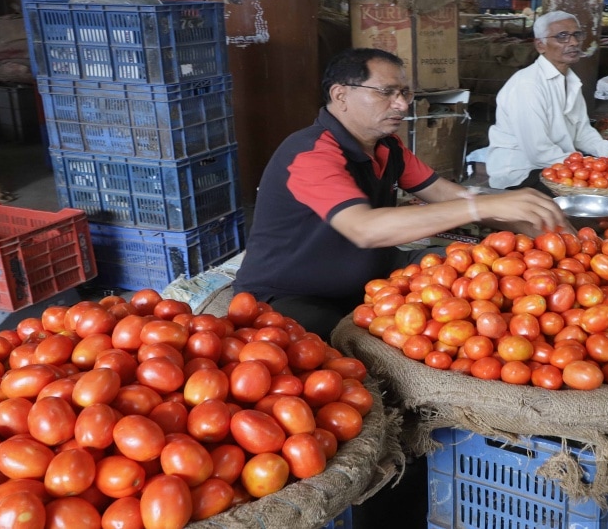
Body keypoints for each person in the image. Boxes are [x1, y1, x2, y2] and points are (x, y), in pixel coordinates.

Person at [232, 48, 570, 338]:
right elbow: (364, 228)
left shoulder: (387, 146)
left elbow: (442, 192)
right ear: (340, 95)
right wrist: (483, 208)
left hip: (375, 272)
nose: (401, 104)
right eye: (386, 92)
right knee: (360, 345)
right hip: (295, 293)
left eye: (405, 93)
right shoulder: (310, 154)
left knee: (474, 268)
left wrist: (524, 221)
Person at [485, 11, 608, 193]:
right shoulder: (527, 85)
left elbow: (583, 134)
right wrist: (596, 168)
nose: (573, 42)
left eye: (577, 35)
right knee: (593, 193)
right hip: (524, 171)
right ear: (540, 45)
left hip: (561, 162)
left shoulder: (570, 80)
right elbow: (539, 152)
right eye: (562, 37)